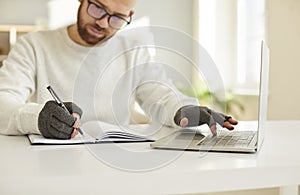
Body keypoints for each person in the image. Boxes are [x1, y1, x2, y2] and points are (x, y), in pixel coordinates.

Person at [0, 0, 237, 140]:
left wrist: (185, 110)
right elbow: (3, 101)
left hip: (114, 162)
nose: (103, 23)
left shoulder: (134, 50)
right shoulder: (33, 46)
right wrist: (37, 118)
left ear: (130, 16)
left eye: (116, 18)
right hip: (46, 165)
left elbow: (162, 98)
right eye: (98, 9)